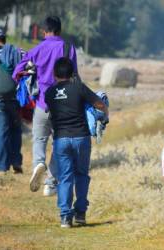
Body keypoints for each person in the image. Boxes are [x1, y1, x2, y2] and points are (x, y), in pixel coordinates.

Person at [13, 16, 78, 196]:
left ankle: (38, 164)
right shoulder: (68, 48)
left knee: (40, 139)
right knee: (59, 143)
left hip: (43, 103)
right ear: (60, 30)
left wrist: (30, 71)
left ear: (44, 31)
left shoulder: (37, 48)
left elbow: (17, 71)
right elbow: (75, 76)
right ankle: (50, 182)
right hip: (64, 106)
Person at [45, 57, 108, 228]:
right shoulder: (79, 88)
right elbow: (99, 104)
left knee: (65, 177)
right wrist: (105, 113)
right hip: (81, 138)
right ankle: (80, 213)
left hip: (61, 139)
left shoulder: (49, 92)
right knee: (81, 175)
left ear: (54, 74)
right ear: (72, 73)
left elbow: (50, 111)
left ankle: (65, 217)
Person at [0, 27, 23, 174]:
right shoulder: (14, 51)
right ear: (4, 39)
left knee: (1, 131)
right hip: (14, 98)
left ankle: (1, 167)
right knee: (16, 130)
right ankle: (16, 162)